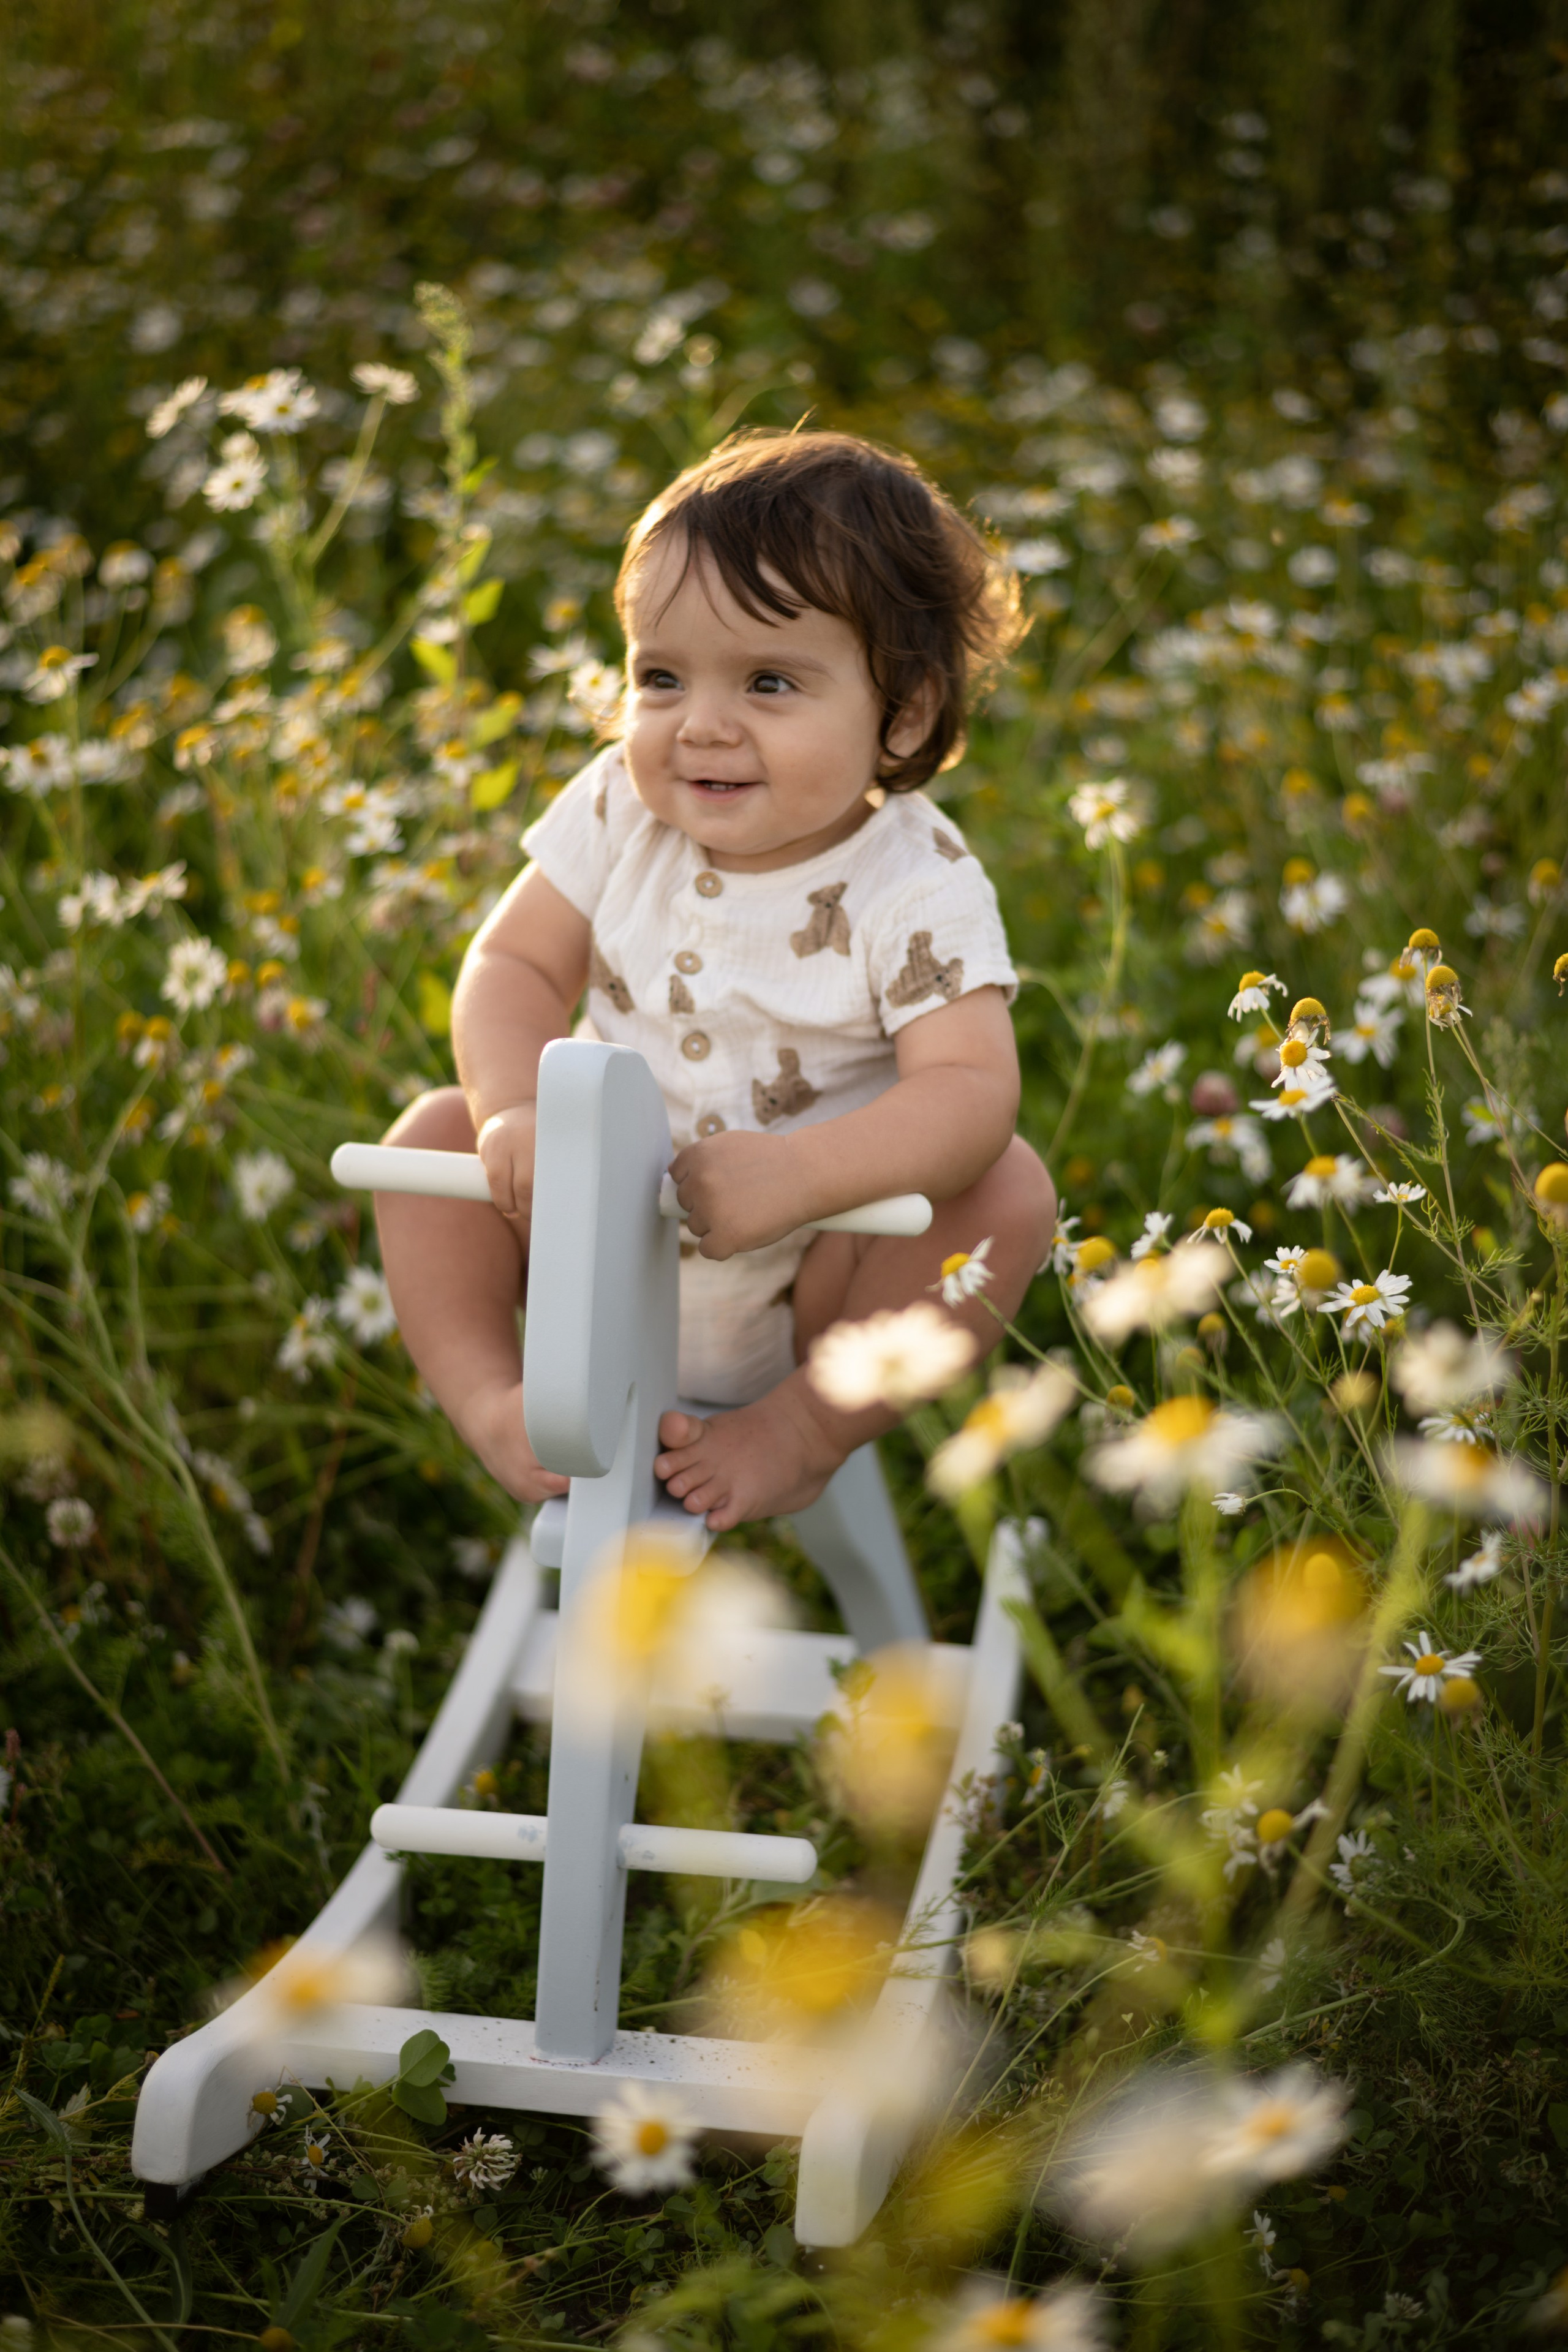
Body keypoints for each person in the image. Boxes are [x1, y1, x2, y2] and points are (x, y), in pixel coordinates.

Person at [375, 428, 1057, 1532]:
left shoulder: (914, 881)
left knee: (1008, 1189)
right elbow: (510, 964)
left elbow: (971, 1091)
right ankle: (498, 1406)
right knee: (428, 1139)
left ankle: (807, 1430)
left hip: (812, 1290)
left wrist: (801, 1174)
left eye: (770, 681)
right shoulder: (618, 809)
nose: (701, 723)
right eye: (661, 675)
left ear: (906, 714)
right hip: (583, 1251)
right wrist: (512, 1110)